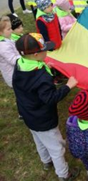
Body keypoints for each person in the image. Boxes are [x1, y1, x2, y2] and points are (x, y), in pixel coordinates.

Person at [12, 33, 79, 181]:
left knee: (39, 140)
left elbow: (28, 85)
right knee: (56, 147)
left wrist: (43, 66)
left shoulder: (20, 64)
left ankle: (46, 161)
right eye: (45, 50)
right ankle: (64, 174)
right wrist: (68, 86)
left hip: (28, 114)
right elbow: (50, 99)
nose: (47, 52)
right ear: (36, 54)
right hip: (43, 120)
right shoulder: (41, 77)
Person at [0, 16, 20, 88]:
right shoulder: (3, 46)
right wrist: (25, 56)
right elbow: (13, 60)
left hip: (16, 73)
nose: (11, 30)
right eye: (9, 29)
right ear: (0, 32)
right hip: (13, 76)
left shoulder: (7, 38)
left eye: (11, 28)